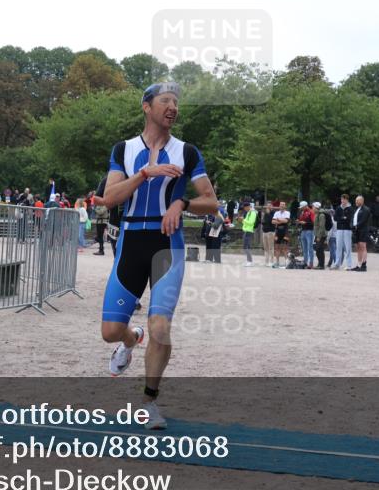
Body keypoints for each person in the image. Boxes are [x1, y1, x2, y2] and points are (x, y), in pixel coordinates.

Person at [97, 81, 217, 430]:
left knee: (161, 326)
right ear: (147, 107)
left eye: (176, 102)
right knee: (109, 331)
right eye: (165, 100)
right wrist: (145, 174)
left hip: (167, 244)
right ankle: (130, 340)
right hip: (131, 241)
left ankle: (149, 402)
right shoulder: (124, 149)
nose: (173, 107)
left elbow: (211, 201)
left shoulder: (188, 152)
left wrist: (181, 202)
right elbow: (109, 197)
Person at [348, 195, 371, 271]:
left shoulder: (366, 209)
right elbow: (352, 219)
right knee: (358, 247)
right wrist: (352, 226)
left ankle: (364, 265)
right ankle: (359, 264)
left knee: (363, 246)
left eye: (357, 201)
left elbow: (363, 220)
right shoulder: (356, 209)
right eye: (355, 201)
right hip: (356, 230)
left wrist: (356, 226)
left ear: (362, 201)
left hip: (363, 230)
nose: (356, 202)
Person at [331, 194, 353, 271]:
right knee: (338, 247)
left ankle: (349, 265)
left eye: (344, 199)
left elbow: (349, 218)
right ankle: (337, 264)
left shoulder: (350, 208)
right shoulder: (338, 208)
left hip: (347, 230)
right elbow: (335, 218)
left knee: (347, 248)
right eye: (341, 199)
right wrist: (343, 218)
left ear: (347, 200)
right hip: (339, 229)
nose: (342, 201)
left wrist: (342, 218)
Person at [235, 201, 258, 266]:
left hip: (249, 231)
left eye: (245, 207)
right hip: (246, 231)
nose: (244, 209)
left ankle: (250, 261)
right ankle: (249, 260)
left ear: (248, 207)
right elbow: (246, 222)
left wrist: (243, 220)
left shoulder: (252, 213)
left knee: (246, 247)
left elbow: (251, 222)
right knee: (246, 246)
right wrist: (240, 220)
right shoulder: (248, 212)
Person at [312, 201, 332, 270]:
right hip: (318, 234)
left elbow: (322, 227)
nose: (312, 208)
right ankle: (320, 264)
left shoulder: (321, 215)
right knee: (318, 249)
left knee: (319, 249)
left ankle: (321, 265)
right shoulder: (317, 214)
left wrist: (319, 236)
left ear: (316, 207)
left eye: (313, 207)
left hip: (321, 235)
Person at [297, 201, 315, 269]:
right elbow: (301, 220)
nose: (301, 208)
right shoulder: (302, 212)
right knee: (304, 248)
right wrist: (299, 221)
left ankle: (311, 263)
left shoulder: (311, 212)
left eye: (302, 207)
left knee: (310, 247)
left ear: (305, 206)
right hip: (303, 231)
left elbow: (313, 222)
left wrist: (305, 223)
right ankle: (305, 262)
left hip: (309, 231)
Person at [272, 201, 290, 268]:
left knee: (285, 247)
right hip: (278, 231)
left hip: (285, 231)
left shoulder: (287, 212)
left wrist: (278, 219)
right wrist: (281, 220)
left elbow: (286, 221)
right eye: (281, 205)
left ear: (285, 206)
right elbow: (273, 221)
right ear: (279, 206)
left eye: (283, 205)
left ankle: (286, 262)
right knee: (277, 247)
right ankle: (277, 262)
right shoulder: (276, 213)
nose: (282, 206)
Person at [260, 201, 276, 267]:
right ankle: (266, 261)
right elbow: (263, 222)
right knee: (265, 248)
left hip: (271, 232)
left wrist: (268, 213)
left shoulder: (273, 213)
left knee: (271, 247)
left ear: (272, 206)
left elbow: (271, 221)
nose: (268, 206)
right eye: (267, 205)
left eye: (270, 205)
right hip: (265, 231)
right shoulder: (265, 213)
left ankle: (271, 261)